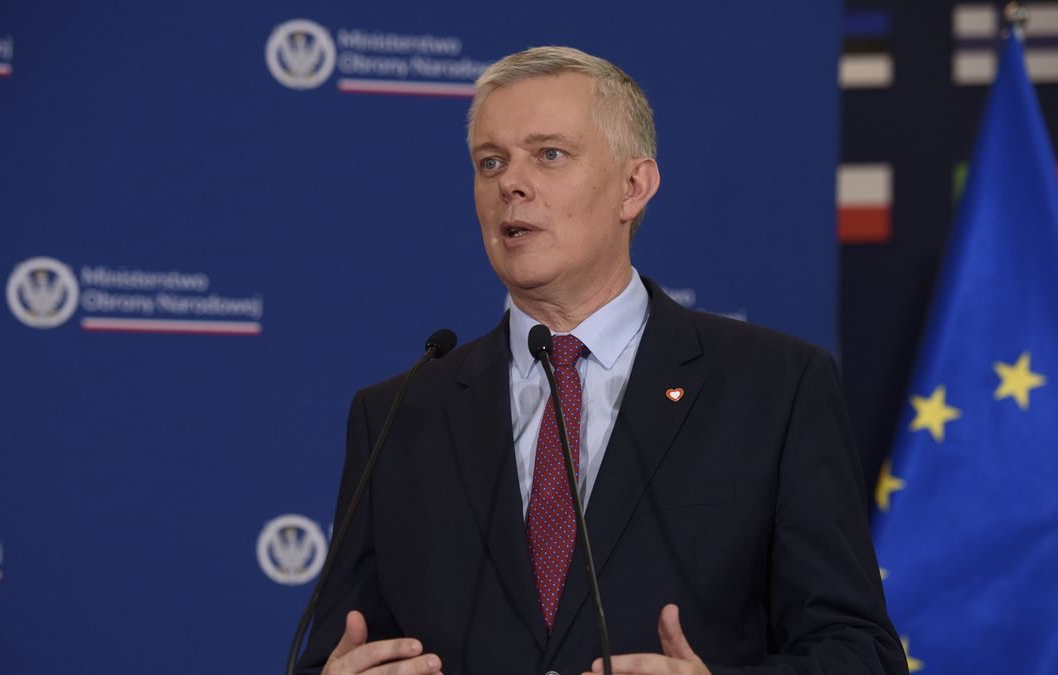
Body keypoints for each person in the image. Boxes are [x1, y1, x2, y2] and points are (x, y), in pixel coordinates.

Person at [296, 46, 906, 675]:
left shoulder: (775, 387)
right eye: (491, 161)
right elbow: (338, 652)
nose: (511, 182)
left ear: (633, 187)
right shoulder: (399, 414)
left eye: (549, 154)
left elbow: (859, 653)